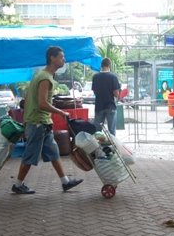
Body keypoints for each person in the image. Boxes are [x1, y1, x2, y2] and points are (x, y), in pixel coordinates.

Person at [11, 46, 83, 195]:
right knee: (30, 155)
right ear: (52, 58)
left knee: (54, 152)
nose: (64, 60)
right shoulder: (45, 78)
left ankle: (65, 182)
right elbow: (42, 103)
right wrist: (61, 112)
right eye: (61, 57)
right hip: (38, 123)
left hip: (42, 123)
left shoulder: (42, 75)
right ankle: (18, 185)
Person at [91, 57, 121, 135]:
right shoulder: (113, 77)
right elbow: (116, 93)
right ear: (109, 65)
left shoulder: (95, 77)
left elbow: (94, 91)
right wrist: (119, 97)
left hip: (99, 106)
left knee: (97, 130)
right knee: (111, 130)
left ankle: (97, 146)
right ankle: (112, 146)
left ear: (101, 65)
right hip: (110, 106)